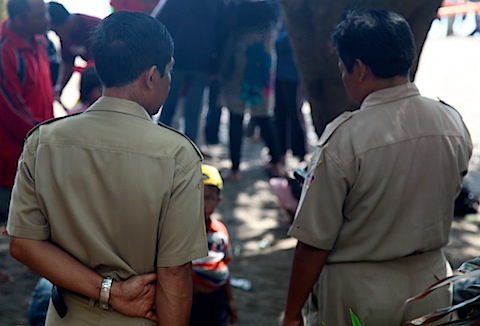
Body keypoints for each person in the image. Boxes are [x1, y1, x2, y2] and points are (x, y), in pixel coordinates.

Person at [8, 10, 208, 325]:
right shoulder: (177, 155)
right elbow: (174, 271)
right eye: (169, 72)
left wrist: (108, 291)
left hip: (66, 317)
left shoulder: (43, 141)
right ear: (152, 76)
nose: (169, 82)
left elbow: (23, 243)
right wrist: (115, 294)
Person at [282, 8, 473, 326]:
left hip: (360, 293)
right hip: (432, 283)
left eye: (343, 68)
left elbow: (314, 239)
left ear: (359, 69)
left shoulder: (345, 137)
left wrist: (291, 313)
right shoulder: (451, 121)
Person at [0, 0, 54, 282]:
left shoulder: (40, 41)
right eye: (39, 15)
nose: (46, 19)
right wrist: (43, 134)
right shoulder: (5, 48)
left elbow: (45, 88)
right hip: (8, 150)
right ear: (18, 19)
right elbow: (8, 105)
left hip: (34, 143)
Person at [217, 0, 283, 181]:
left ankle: (236, 170)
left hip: (239, 61)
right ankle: (277, 163)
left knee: (235, 116)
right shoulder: (270, 6)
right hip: (264, 62)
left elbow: (224, 26)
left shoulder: (237, 6)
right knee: (264, 115)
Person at [156, 0, 223, 143]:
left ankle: (160, 144)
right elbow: (222, 33)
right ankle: (190, 152)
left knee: (168, 105)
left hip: (177, 57)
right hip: (202, 61)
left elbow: (158, 23)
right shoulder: (216, 3)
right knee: (193, 112)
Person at [190, 164, 239, 325]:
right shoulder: (182, 234)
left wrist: (230, 300)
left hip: (216, 299)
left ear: (218, 201)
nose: (203, 204)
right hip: (190, 301)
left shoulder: (220, 232)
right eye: (197, 197)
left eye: (209, 198)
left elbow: (224, 266)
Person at [47, 2, 101, 100]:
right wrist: (59, 88)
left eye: (56, 31)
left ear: (68, 22)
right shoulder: (65, 35)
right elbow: (67, 63)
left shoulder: (94, 27)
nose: (57, 35)